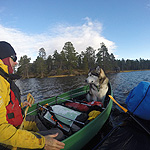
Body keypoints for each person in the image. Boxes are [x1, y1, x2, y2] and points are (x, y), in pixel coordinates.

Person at [0, 41, 65, 150]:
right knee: (59, 134)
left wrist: (19, 105)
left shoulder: (4, 79)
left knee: (36, 119)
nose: (16, 63)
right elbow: (1, 132)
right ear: (4, 59)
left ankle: (43, 137)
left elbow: (5, 103)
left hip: (18, 124)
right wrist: (42, 142)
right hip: (8, 140)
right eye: (13, 58)